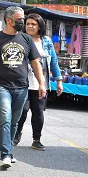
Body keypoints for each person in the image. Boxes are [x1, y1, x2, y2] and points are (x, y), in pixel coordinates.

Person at [0, 6, 46, 169]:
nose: (22, 22)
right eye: (19, 20)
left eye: (23, 18)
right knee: (5, 118)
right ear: (8, 20)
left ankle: (9, 150)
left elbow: (35, 62)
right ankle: (6, 154)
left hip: (22, 87)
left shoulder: (26, 39)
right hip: (0, 85)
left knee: (14, 121)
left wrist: (41, 83)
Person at [15, 13, 64, 150]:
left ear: (39, 26)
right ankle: (16, 134)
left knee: (38, 112)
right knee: (22, 111)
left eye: (33, 24)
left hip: (40, 84)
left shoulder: (46, 42)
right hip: (22, 82)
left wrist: (59, 81)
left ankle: (36, 139)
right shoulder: (20, 39)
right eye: (28, 23)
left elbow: (53, 62)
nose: (30, 26)